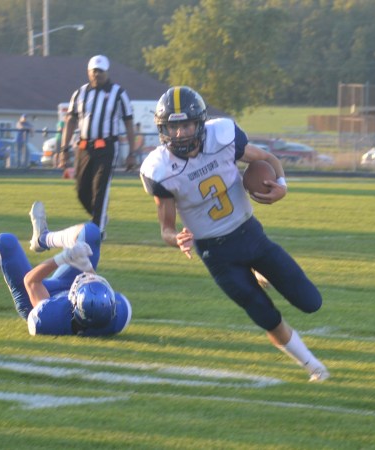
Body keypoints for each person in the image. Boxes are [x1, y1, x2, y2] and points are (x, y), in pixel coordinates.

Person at [140, 86, 329, 382]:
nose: (180, 134)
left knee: (310, 301)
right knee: (264, 315)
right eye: (173, 127)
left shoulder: (222, 136)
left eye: (186, 125)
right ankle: (314, 367)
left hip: (250, 234)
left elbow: (267, 158)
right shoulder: (159, 169)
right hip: (216, 253)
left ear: (200, 123)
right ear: (163, 129)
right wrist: (175, 238)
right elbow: (165, 228)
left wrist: (281, 186)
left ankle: (258, 270)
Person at [0, 201, 132, 337]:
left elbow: (31, 281)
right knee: (91, 232)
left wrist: (63, 258)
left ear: (72, 304)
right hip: (71, 294)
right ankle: (43, 238)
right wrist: (88, 269)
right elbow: (95, 301)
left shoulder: (49, 316)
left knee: (5, 242)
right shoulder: (117, 314)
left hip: (34, 298)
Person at [60, 54, 136, 239]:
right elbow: (70, 121)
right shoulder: (80, 93)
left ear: (107, 72)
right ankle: (100, 217)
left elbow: (128, 123)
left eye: (101, 71)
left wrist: (132, 153)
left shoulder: (118, 93)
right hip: (84, 147)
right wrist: (63, 149)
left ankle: (97, 231)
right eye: (94, 71)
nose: (97, 74)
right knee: (81, 191)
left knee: (100, 189)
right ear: (88, 72)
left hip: (107, 147)